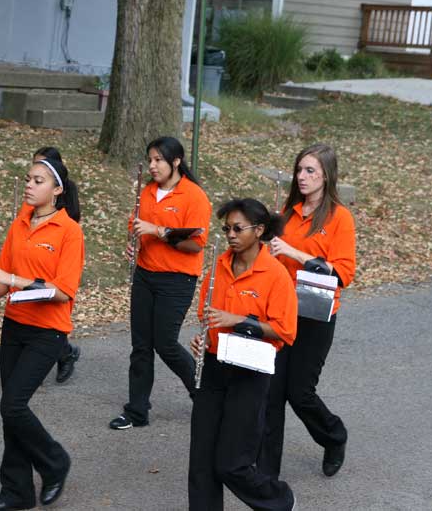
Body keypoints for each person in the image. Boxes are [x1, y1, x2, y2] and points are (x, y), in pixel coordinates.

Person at [0, 156, 84, 510]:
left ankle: (55, 463)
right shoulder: (19, 224)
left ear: (56, 190)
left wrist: (12, 280)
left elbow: (62, 291)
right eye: (28, 178)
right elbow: (2, 283)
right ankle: (17, 491)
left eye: (38, 180)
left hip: (48, 331)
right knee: (11, 411)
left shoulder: (69, 231)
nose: (29, 184)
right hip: (15, 325)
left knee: (13, 404)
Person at [188, 198, 297, 511]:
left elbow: (285, 331)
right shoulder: (219, 266)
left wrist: (239, 321)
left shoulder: (276, 274)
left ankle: (279, 500)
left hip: (251, 370)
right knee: (201, 462)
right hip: (214, 365)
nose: (231, 235)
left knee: (232, 464)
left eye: (238, 228)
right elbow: (208, 318)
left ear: (259, 230)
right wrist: (202, 341)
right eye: (226, 229)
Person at [260, 143, 356, 478]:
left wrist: (294, 253)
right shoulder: (288, 211)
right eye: (299, 169)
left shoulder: (339, 218)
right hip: (280, 311)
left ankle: (334, 435)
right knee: (272, 393)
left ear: (326, 176)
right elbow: (272, 258)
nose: (301, 176)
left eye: (310, 170)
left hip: (316, 315)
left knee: (299, 392)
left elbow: (343, 273)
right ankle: (266, 474)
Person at [109, 136, 212, 430]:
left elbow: (195, 244)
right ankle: (137, 411)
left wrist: (158, 231)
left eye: (159, 160)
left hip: (177, 279)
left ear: (176, 162)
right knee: (140, 345)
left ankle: (204, 396)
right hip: (145, 275)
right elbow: (136, 228)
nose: (153, 166)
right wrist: (135, 244)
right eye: (150, 160)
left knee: (165, 343)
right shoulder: (147, 192)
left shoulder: (194, 196)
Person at [28, 147, 81, 384]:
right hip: (33, 256)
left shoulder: (66, 202)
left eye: (40, 178)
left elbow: (73, 219)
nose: (32, 183)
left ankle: (65, 353)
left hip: (55, 255)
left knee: (51, 317)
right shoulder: (32, 200)